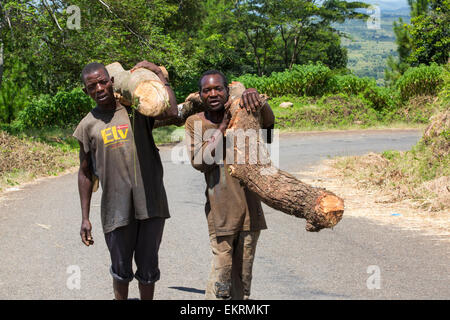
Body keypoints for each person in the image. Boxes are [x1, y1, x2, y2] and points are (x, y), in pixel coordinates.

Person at [73, 60, 178, 300]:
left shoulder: (136, 109)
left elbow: (172, 111)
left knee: (148, 270)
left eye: (102, 82)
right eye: (92, 86)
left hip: (151, 204)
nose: (99, 88)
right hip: (115, 211)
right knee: (120, 271)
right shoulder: (87, 126)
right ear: (86, 91)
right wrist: (85, 218)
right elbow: (85, 173)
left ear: (111, 82)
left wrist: (161, 78)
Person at [185, 70, 275, 300]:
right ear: (200, 95)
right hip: (220, 214)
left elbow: (269, 128)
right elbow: (201, 161)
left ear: (227, 91)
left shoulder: (244, 116)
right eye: (207, 90)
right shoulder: (195, 123)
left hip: (250, 214)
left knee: (243, 284)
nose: (213, 93)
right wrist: (223, 126)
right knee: (221, 284)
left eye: (218, 89)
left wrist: (258, 100)